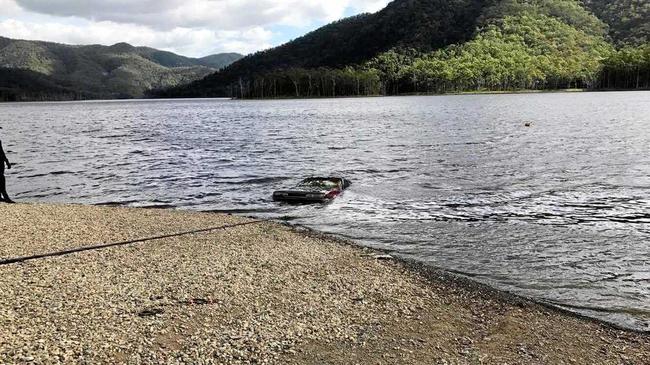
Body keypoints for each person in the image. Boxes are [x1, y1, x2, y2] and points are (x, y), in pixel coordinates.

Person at [0, 139, 14, 203]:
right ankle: (6, 197)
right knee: (1, 179)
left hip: (0, 161)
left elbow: (1, 151)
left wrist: (6, 161)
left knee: (1, 178)